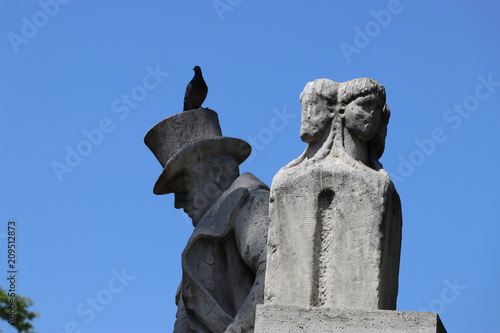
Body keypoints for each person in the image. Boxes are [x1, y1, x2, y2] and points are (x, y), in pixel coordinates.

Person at [145, 108, 270, 333]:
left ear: (216, 171)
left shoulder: (248, 201)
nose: (177, 202)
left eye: (182, 186)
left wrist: (239, 328)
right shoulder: (198, 250)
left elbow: (274, 267)